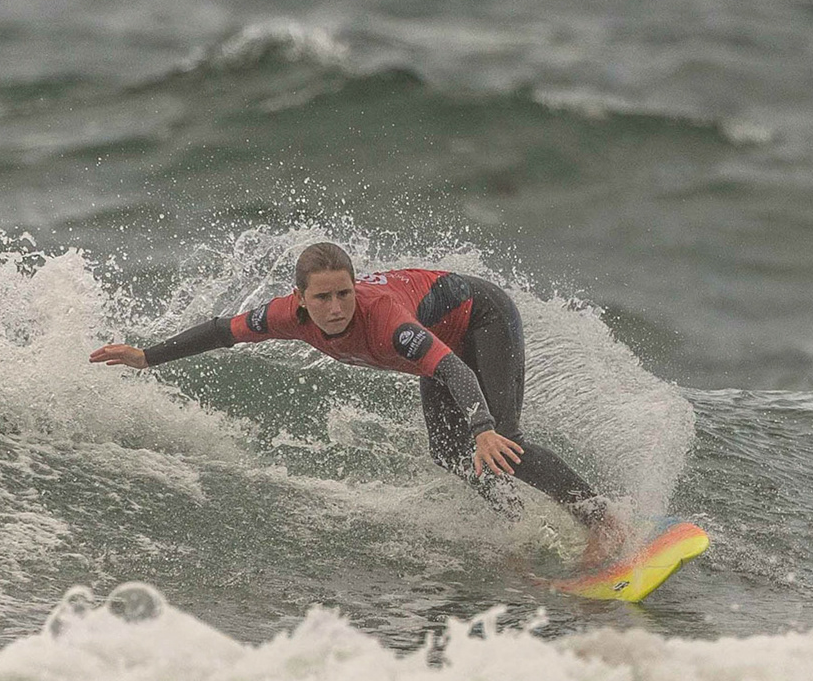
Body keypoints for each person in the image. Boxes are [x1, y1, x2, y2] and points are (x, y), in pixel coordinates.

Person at [89, 241, 625, 566]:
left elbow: (453, 369)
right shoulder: (283, 316)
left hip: (479, 318)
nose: (336, 307)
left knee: (502, 441)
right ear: (301, 300)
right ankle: (517, 522)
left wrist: (483, 425)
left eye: (344, 293)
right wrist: (147, 356)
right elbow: (221, 331)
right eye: (322, 297)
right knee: (447, 451)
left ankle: (602, 520)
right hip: (442, 335)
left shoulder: (385, 320)